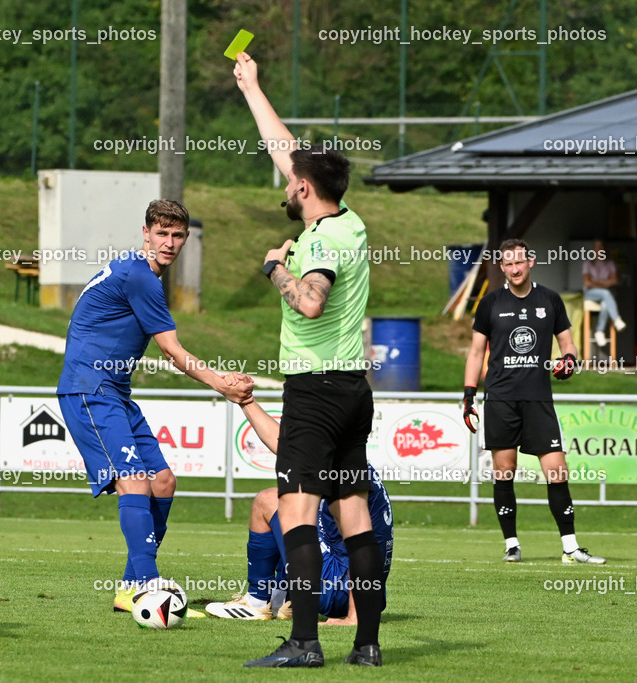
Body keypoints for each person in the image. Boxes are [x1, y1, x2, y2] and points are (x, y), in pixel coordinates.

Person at [233, 52, 385, 668]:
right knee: (354, 514)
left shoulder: (319, 242)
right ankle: (368, 646)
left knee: (294, 509)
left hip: (315, 392)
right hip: (353, 391)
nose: (286, 183)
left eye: (291, 182)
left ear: (302, 191)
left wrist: (276, 267)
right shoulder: (351, 222)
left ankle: (303, 642)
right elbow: (287, 153)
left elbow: (313, 302)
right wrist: (252, 87)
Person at [56, 199, 253, 615]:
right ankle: (147, 584)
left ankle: (131, 586)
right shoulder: (140, 276)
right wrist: (221, 383)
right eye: (161, 233)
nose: (169, 242)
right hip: (89, 390)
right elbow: (171, 350)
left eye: (177, 235)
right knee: (134, 481)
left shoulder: (137, 271)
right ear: (145, 233)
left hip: (115, 392)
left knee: (161, 481)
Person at [463, 239, 605, 565]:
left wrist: (568, 363)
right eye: (508, 264)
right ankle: (512, 544)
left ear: (531, 262)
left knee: (557, 471)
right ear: (501, 267)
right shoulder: (489, 303)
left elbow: (569, 345)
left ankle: (571, 548)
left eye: (519, 262)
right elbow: (475, 353)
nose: (514, 269)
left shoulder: (550, 300)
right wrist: (469, 394)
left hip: (538, 398)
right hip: (500, 398)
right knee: (504, 472)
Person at [206, 399, 393, 625]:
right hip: (364, 590)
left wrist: (354, 617)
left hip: (338, 591)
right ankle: (285, 598)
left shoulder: (342, 472)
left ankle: (257, 602)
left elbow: (361, 544)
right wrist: (246, 401)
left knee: (268, 501)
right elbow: (280, 444)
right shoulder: (344, 459)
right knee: (296, 507)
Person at [582, 239, 625, 347]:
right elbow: (587, 282)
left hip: (607, 294)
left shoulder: (610, 263)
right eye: (597, 246)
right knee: (606, 293)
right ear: (593, 249)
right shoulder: (588, 263)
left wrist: (595, 282)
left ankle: (599, 331)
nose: (599, 249)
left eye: (601, 246)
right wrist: (605, 283)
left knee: (606, 304)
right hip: (591, 294)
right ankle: (616, 319)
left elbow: (615, 281)